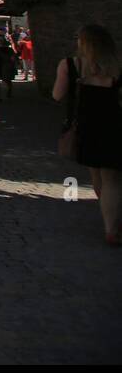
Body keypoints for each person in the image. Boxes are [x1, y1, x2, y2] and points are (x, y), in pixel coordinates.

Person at [52, 25, 122, 246]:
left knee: (97, 174)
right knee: (112, 177)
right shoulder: (118, 66)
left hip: (85, 125)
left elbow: (57, 95)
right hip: (114, 124)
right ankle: (112, 225)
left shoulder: (71, 65)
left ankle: (107, 216)